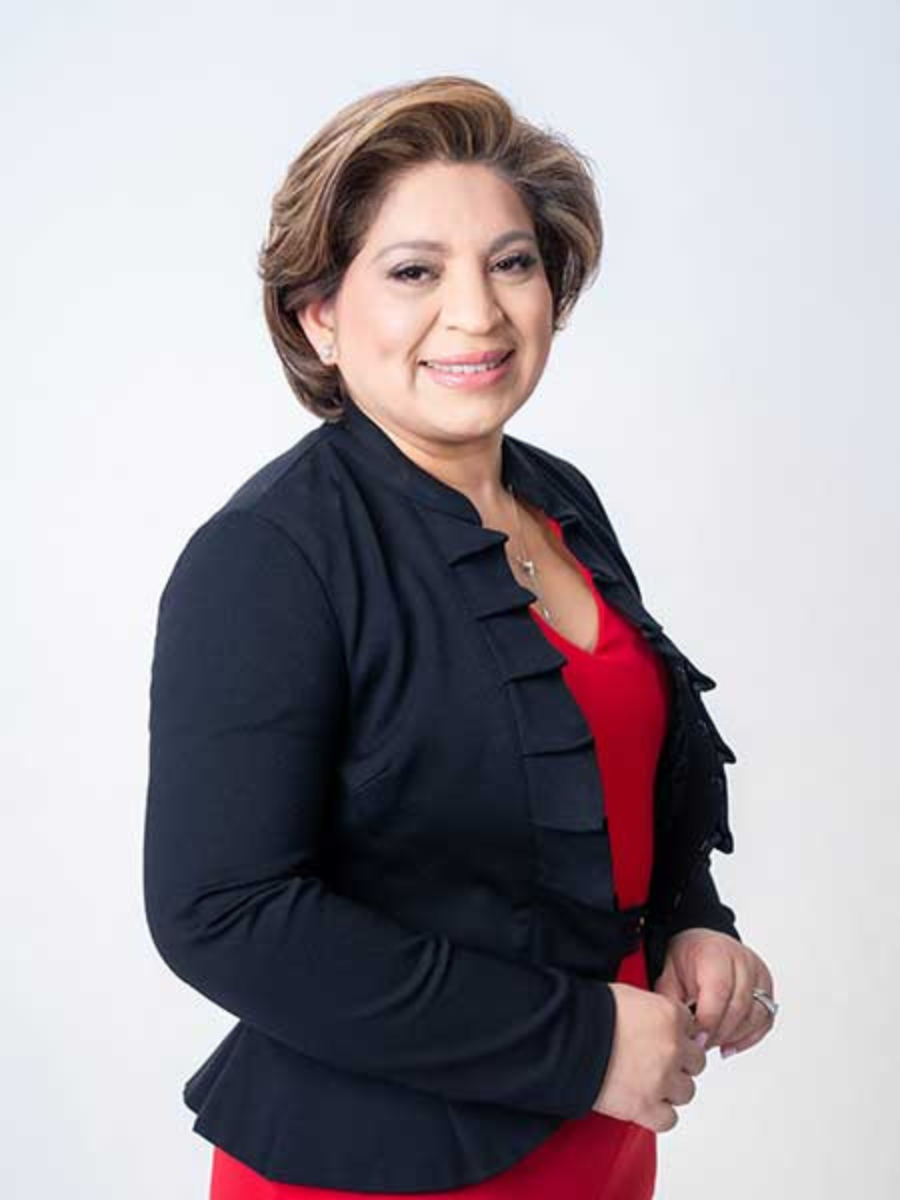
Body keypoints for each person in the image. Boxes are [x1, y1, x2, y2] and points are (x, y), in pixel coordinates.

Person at [143, 75, 777, 1199]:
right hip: (378, 1166)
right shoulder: (269, 557)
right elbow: (223, 915)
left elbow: (613, 782)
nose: (477, 313)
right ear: (320, 314)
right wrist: (578, 1043)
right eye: (414, 271)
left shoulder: (559, 498)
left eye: (513, 262)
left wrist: (692, 922)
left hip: (603, 1136)